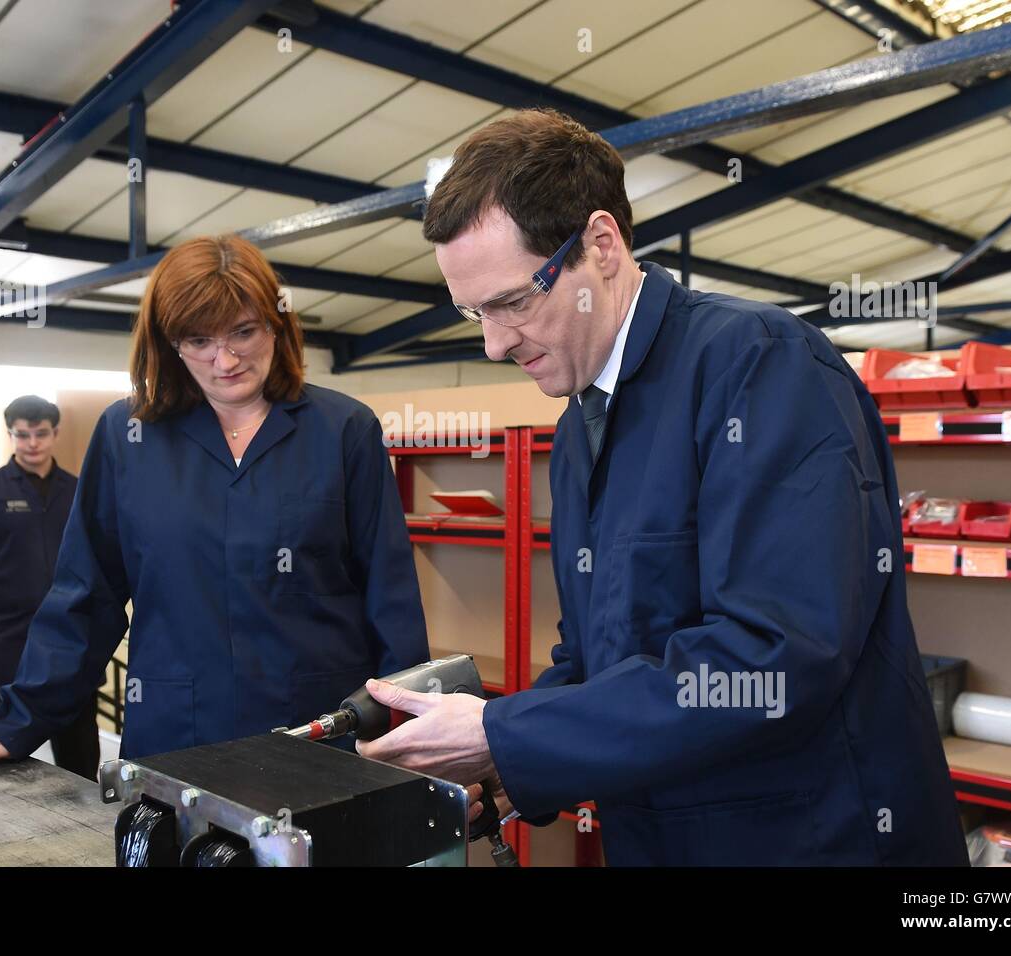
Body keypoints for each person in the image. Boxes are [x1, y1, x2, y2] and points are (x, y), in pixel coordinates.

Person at [354, 109, 969, 866]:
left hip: (808, 841)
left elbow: (772, 658)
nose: (493, 341)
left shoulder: (759, 366)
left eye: (514, 302)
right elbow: (594, 657)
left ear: (602, 247)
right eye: (474, 312)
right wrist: (508, 759)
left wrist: (504, 735)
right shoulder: (584, 417)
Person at [0, 235, 428, 776]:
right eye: (199, 340)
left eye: (244, 331)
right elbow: (86, 597)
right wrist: (18, 717)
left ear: (277, 323)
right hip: (177, 731)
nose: (226, 359)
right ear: (168, 343)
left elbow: (391, 598)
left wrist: (412, 732)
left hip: (320, 735)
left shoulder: (344, 430)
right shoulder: (127, 437)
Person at [0, 395, 99, 780]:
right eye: (23, 434)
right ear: (10, 434)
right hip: (6, 641)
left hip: (70, 642)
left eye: (41, 433)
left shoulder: (78, 492)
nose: (33, 443)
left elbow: (98, 554)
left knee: (79, 762)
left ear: (55, 433)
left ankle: (83, 836)